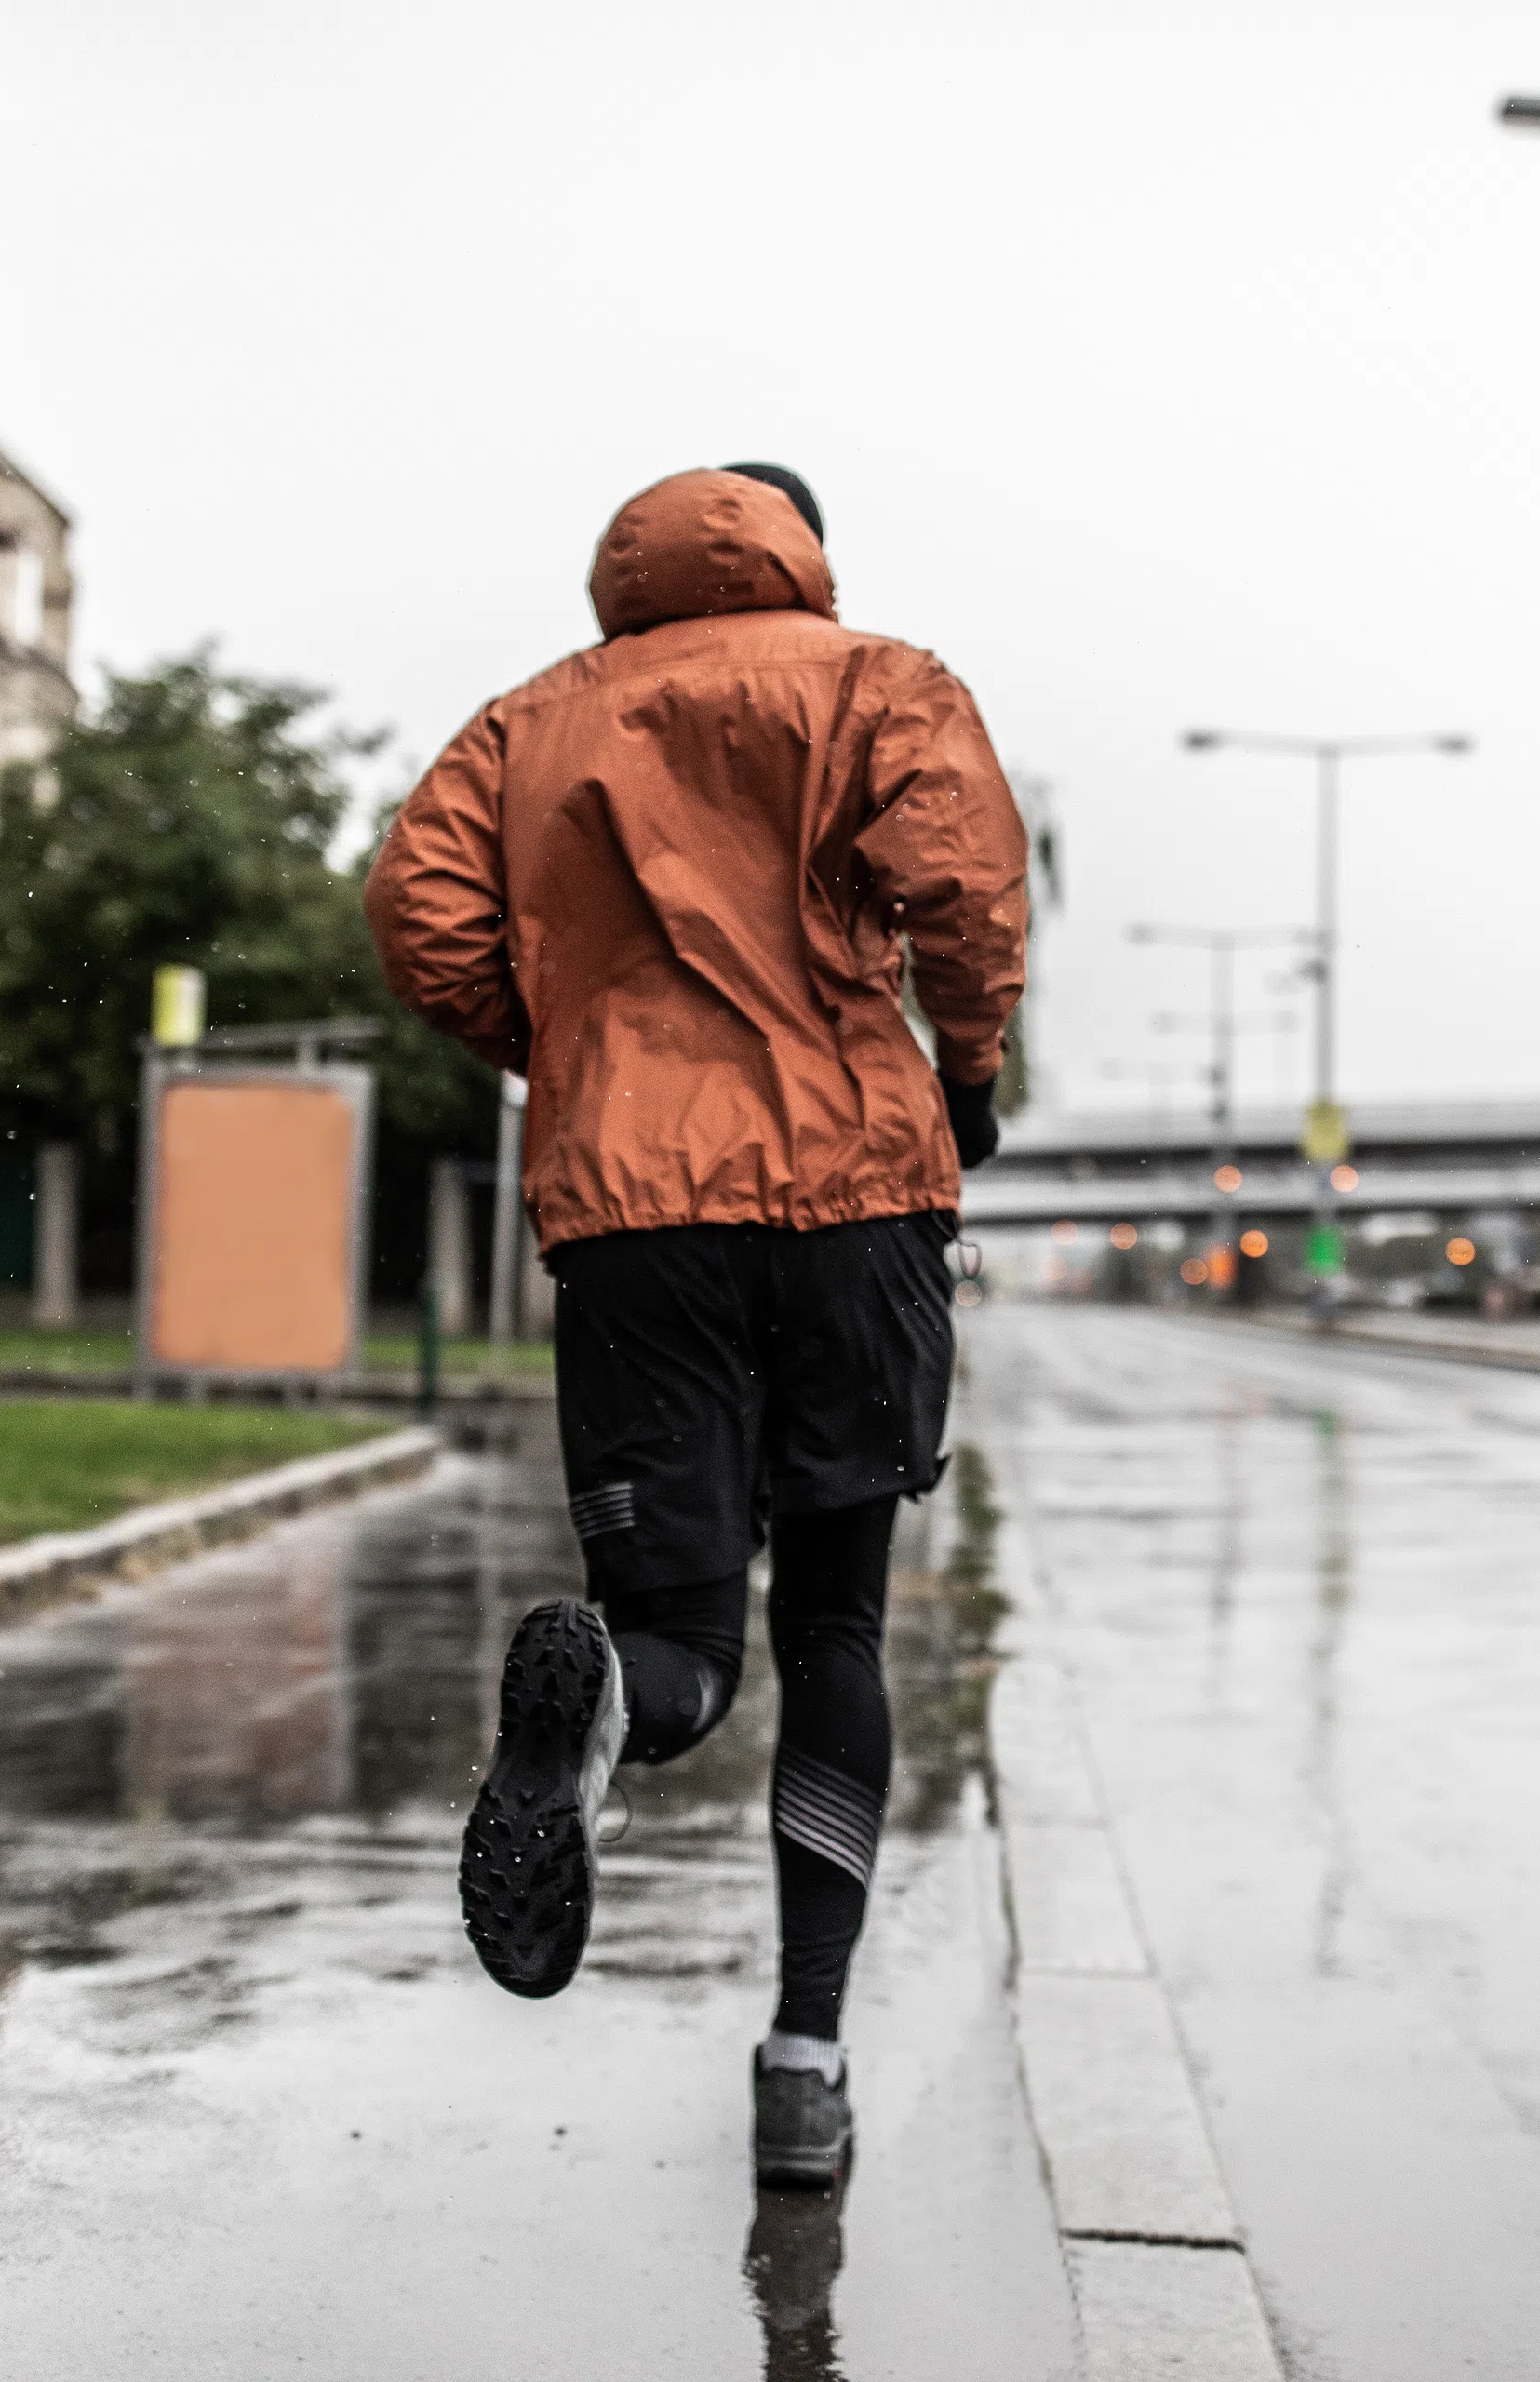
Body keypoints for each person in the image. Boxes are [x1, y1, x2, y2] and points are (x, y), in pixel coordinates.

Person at [365, 463, 1027, 2188]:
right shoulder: (881, 682)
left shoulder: (525, 724)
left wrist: (577, 1044)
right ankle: (806, 2061)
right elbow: (960, 888)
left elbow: (416, 914)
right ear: (803, 559)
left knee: (676, 1641)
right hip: (854, 1201)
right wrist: (966, 1071)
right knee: (835, 1630)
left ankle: (604, 1723)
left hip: (633, 1215)